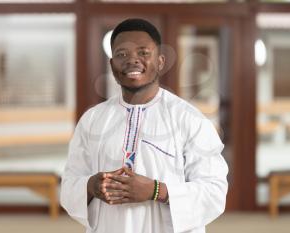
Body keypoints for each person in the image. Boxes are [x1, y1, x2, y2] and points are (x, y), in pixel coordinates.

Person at [60, 18, 228, 233]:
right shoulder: (92, 119)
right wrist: (91, 186)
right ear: (112, 65)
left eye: (143, 53)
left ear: (160, 62)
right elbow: (69, 186)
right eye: (122, 54)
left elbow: (214, 192)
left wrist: (156, 190)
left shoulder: (189, 119)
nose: (133, 60)